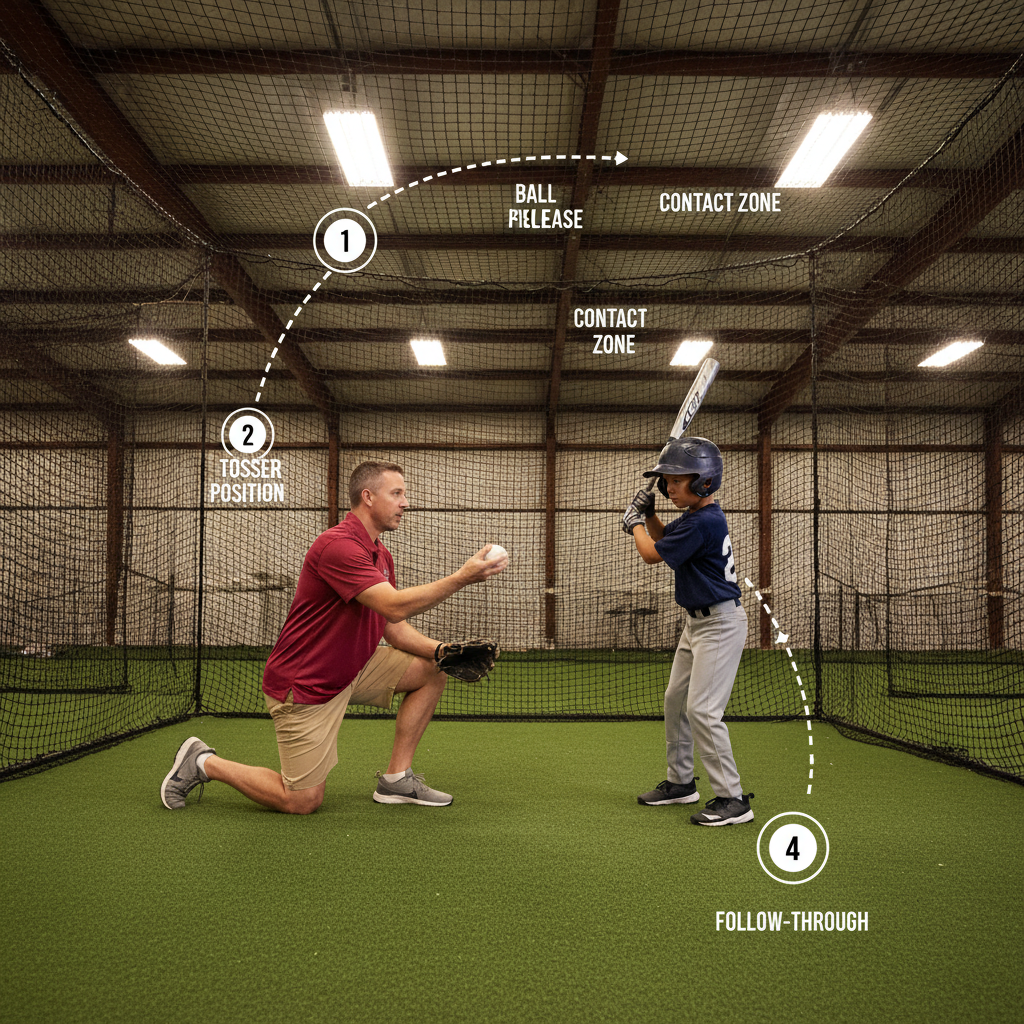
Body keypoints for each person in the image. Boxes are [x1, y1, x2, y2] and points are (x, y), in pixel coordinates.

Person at [160, 460, 507, 813]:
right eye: (397, 493)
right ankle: (202, 762)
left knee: (432, 670)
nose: (406, 502)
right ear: (368, 497)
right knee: (302, 800)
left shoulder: (380, 554)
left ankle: (397, 779)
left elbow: (391, 626)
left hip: (354, 668)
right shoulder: (338, 546)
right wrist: (462, 577)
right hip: (309, 682)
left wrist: (441, 652)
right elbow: (395, 607)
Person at [621, 437, 754, 826]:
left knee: (703, 711)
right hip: (696, 623)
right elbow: (667, 544)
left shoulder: (706, 520)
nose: (668, 488)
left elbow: (651, 554)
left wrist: (633, 524)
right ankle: (681, 783)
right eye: (666, 481)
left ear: (705, 482)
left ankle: (732, 799)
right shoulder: (696, 520)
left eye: (677, 480)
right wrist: (647, 519)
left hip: (720, 624)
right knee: (676, 701)